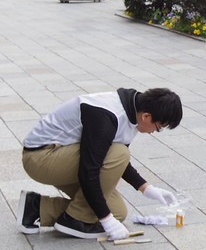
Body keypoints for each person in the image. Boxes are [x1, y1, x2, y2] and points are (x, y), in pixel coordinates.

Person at [17, 88, 183, 240]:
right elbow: (90, 170)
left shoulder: (132, 110)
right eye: (159, 127)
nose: (154, 132)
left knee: (117, 211)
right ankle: (75, 219)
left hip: (62, 157)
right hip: (41, 157)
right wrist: (106, 220)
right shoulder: (107, 116)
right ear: (146, 116)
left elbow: (107, 157)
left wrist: (145, 188)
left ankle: (36, 208)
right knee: (119, 154)